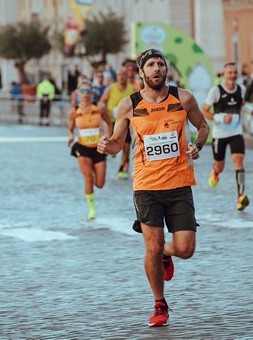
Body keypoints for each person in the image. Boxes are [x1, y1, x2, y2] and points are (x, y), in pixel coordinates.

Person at [97, 49, 210, 327]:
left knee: (185, 249)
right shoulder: (129, 105)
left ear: (166, 69)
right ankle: (160, 304)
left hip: (180, 184)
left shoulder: (183, 98)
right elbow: (116, 142)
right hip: (146, 186)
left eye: (161, 64)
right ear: (142, 72)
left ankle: (167, 256)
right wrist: (106, 145)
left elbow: (203, 126)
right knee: (152, 245)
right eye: (151, 65)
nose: (157, 68)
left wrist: (197, 145)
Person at [200, 62, 253, 211]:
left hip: (236, 132)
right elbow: (204, 111)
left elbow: (241, 105)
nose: (233, 76)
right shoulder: (216, 91)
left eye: (235, 72)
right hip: (220, 134)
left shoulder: (241, 89)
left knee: (238, 161)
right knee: (220, 165)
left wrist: (251, 110)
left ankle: (241, 196)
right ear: (224, 74)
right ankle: (215, 173)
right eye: (230, 73)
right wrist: (220, 118)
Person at [68, 80, 111, 220]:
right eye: (83, 92)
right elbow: (70, 128)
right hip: (82, 148)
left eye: (88, 92)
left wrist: (108, 138)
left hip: (98, 148)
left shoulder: (99, 108)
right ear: (78, 93)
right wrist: (70, 137)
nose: (85, 95)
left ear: (92, 93)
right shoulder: (74, 111)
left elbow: (109, 122)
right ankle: (92, 210)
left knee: (100, 184)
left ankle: (93, 169)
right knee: (88, 179)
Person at [99, 68, 136, 179]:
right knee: (114, 142)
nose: (121, 77)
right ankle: (113, 149)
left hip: (128, 122)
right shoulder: (111, 88)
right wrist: (102, 108)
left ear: (127, 76)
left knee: (126, 146)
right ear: (117, 76)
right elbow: (102, 101)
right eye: (119, 74)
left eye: (123, 74)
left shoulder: (132, 89)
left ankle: (122, 168)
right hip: (113, 121)